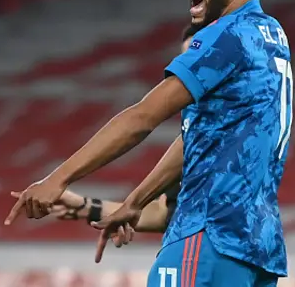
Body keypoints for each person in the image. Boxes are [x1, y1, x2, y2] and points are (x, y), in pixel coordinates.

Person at [5, 0, 293, 287]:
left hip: (208, 234)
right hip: (256, 244)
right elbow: (200, 138)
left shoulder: (227, 36)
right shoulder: (272, 35)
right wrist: (136, 200)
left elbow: (142, 117)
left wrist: (56, 180)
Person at [49, 24, 202, 235]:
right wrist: (86, 207)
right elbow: (164, 213)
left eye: (200, 62)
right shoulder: (194, 137)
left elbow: (141, 118)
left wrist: (57, 179)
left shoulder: (250, 131)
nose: (189, 75)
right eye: (186, 63)